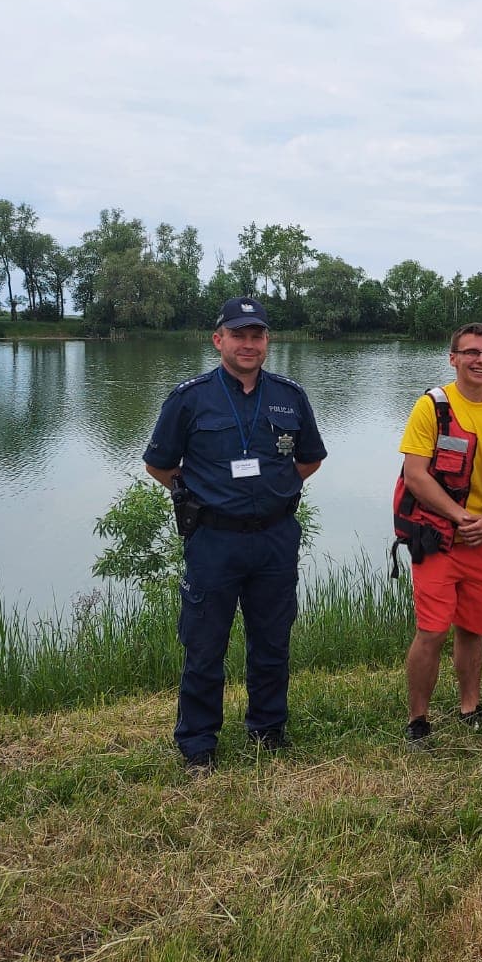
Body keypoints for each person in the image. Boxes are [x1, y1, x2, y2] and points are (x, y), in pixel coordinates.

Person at [144, 296, 326, 772]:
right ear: (218, 340)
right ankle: (198, 744)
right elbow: (159, 465)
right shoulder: (190, 397)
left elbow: (309, 459)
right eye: (239, 335)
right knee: (205, 643)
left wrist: (274, 489)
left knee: (272, 640)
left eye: (257, 335)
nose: (249, 344)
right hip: (214, 541)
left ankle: (268, 729)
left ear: (268, 341)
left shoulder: (290, 395)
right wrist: (202, 495)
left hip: (274, 538)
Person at [398, 323, 482, 748]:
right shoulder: (432, 407)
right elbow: (416, 476)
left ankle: (470, 707)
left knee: (473, 630)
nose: (481, 360)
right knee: (432, 631)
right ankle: (418, 719)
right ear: (452, 358)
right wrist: (460, 517)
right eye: (471, 352)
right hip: (439, 539)